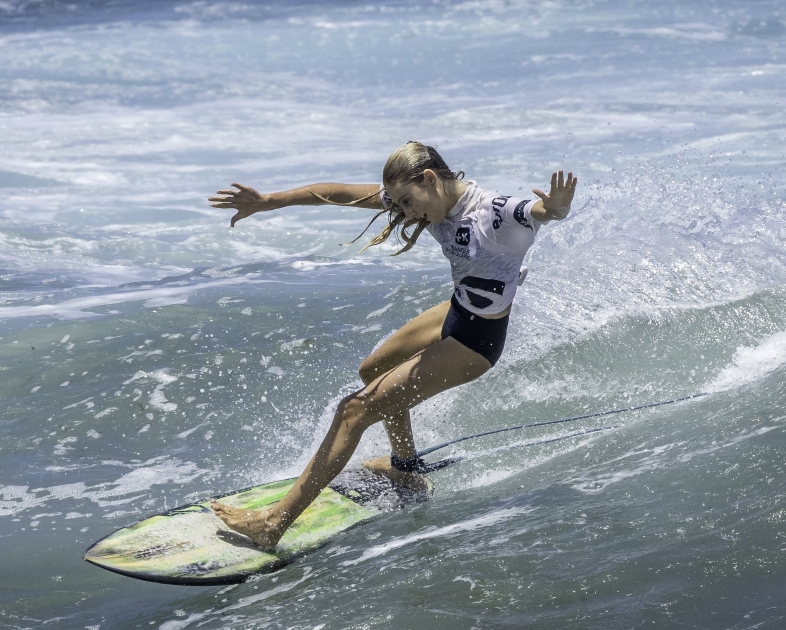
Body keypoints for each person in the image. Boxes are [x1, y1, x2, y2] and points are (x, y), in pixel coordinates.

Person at [206, 141, 577, 549]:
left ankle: (273, 524)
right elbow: (340, 193)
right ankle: (405, 468)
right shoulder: (428, 199)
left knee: (353, 411)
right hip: (458, 309)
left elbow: (540, 212)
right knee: (372, 370)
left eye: (407, 201)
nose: (406, 213)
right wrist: (268, 201)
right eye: (398, 204)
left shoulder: (495, 211)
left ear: (430, 179)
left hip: (476, 341)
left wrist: (557, 207)